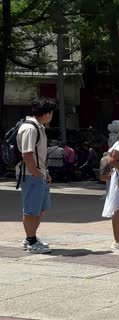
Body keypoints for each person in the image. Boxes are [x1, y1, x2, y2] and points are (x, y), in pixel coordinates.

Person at [17, 97, 56, 254]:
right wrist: (36, 173)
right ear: (46, 114)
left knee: (40, 208)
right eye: (51, 113)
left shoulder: (39, 127)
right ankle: (31, 241)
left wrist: (44, 173)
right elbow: (27, 154)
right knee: (31, 209)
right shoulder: (30, 129)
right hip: (30, 174)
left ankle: (31, 237)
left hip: (39, 174)